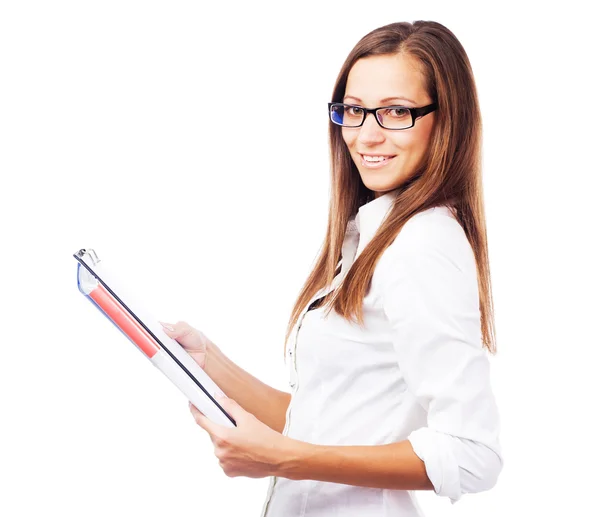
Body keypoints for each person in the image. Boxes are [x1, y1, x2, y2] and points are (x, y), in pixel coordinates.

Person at [159, 19, 503, 517]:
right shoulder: (371, 237)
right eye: (355, 111)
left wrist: (285, 459)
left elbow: (473, 455)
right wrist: (209, 362)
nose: (366, 135)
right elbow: (322, 421)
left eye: (396, 112)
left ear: (445, 120)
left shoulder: (421, 245)